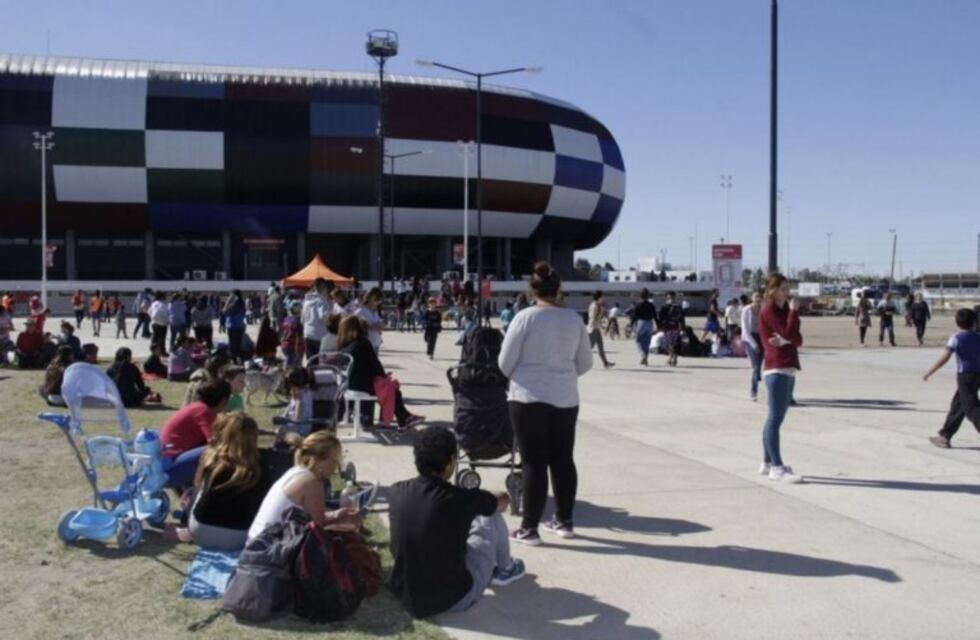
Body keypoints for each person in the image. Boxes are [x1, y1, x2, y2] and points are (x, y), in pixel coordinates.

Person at [499, 262, 592, 545]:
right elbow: (585, 363)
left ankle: (530, 528)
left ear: (532, 289)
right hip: (564, 398)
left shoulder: (524, 318)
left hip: (528, 397)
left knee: (533, 463)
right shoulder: (573, 319)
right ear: (558, 289)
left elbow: (504, 363)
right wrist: (561, 374)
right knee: (563, 460)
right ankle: (564, 521)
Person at [388, 426, 525, 618]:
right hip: (454, 597)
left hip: (405, 593)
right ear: (451, 461)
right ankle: (506, 569)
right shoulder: (461, 499)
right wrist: (487, 497)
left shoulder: (396, 491)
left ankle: (500, 567)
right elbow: (502, 501)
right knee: (489, 516)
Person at [246, 431, 362, 542]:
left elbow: (312, 519)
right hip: (268, 553)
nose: (336, 466)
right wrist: (347, 523)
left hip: (257, 545)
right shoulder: (312, 482)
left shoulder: (297, 471)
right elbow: (319, 530)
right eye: (334, 460)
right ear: (319, 461)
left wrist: (335, 515)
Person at [188, 412, 273, 550]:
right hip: (240, 536)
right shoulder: (261, 464)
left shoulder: (210, 456)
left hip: (200, 531)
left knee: (199, 488)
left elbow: (197, 484)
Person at [337, 315, 423, 430]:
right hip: (361, 387)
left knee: (390, 388)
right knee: (392, 389)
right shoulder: (363, 343)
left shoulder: (343, 346)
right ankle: (404, 419)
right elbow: (375, 365)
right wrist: (384, 377)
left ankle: (405, 418)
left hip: (348, 386)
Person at [758, 273, 803, 483]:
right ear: (773, 290)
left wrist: (786, 339)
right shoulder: (769, 310)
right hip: (776, 368)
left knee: (776, 418)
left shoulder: (785, 310)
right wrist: (792, 316)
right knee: (775, 418)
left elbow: (797, 339)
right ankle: (777, 466)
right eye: (783, 288)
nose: (787, 292)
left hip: (788, 368)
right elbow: (785, 331)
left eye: (787, 288)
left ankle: (767, 462)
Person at [923, 308, 980, 449]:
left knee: (971, 408)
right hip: (977, 375)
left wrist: (930, 371)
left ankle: (945, 436)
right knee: (958, 405)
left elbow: (944, 358)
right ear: (974, 322)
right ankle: (945, 436)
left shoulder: (956, 338)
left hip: (965, 376)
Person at [160, 380, 232, 487]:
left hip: (165, 462)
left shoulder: (196, 407)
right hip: (170, 467)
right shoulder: (204, 411)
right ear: (223, 401)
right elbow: (214, 441)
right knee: (217, 451)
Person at [301, 278, 334, 363]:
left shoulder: (306, 301)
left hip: (307, 334)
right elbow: (324, 317)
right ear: (323, 287)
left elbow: (302, 319)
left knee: (310, 360)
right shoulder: (321, 301)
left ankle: (310, 375)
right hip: (319, 335)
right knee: (320, 362)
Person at [741, 291, 764, 401]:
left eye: (760, 297)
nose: (758, 299)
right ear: (752, 298)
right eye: (756, 296)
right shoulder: (746, 310)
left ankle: (758, 375)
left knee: (759, 365)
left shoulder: (764, 309)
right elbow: (745, 329)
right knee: (756, 367)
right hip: (750, 338)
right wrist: (754, 344)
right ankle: (753, 391)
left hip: (762, 337)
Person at [587, 291, 615, 369]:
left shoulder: (598, 305)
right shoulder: (594, 305)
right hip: (593, 329)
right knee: (589, 347)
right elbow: (592, 317)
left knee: (600, 346)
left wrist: (600, 326)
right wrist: (591, 329)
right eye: (603, 296)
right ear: (599, 297)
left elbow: (598, 317)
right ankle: (576, 360)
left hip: (596, 328)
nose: (604, 298)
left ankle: (605, 363)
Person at [658, 292, 686, 367]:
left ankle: (672, 357)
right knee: (671, 344)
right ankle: (672, 357)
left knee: (670, 344)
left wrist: (659, 327)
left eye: (670, 297)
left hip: (671, 328)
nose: (670, 299)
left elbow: (660, 318)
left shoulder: (667, 307)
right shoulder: (675, 307)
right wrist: (683, 328)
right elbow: (682, 318)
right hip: (671, 328)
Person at [632, 289, 657, 367]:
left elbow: (635, 316)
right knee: (647, 342)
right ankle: (646, 359)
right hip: (650, 323)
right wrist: (658, 325)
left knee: (638, 340)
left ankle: (643, 355)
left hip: (641, 323)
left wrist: (631, 324)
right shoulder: (651, 305)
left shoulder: (638, 305)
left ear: (640, 296)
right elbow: (655, 316)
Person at [356, 287, 385, 352]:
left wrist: (382, 324)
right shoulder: (360, 311)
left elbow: (378, 324)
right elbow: (355, 328)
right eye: (376, 299)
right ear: (368, 298)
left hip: (376, 343)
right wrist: (371, 327)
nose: (378, 301)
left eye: (380, 299)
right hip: (365, 345)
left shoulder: (376, 311)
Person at [223, 290, 247, 363]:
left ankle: (234, 360)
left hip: (232, 326)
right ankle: (242, 359)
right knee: (238, 344)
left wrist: (228, 301)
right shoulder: (242, 304)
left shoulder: (231, 305)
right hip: (240, 326)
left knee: (232, 344)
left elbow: (224, 311)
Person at [280, 300, 304, 369]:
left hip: (285, 345)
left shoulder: (286, 319)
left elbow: (282, 333)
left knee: (288, 364)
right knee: (294, 368)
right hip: (293, 347)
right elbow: (298, 338)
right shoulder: (298, 322)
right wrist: (298, 351)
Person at [148, 291, 169, 355]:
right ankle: (162, 352)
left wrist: (152, 318)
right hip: (163, 324)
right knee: (162, 339)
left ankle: (153, 351)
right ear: (162, 297)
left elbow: (149, 311)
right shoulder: (163, 304)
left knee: (155, 338)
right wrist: (166, 321)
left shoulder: (154, 303)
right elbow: (167, 313)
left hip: (154, 323)